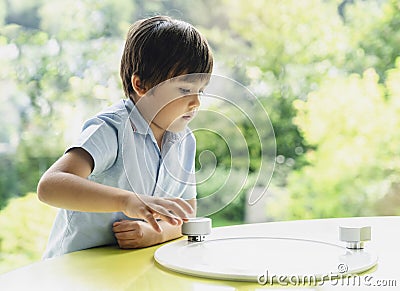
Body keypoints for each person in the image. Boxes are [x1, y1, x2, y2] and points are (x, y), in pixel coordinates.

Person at [37, 15, 213, 258]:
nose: (196, 102)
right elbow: (50, 186)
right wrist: (127, 201)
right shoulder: (111, 129)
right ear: (140, 85)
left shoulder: (184, 140)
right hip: (74, 269)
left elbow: (187, 213)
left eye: (200, 91)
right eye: (184, 90)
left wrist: (156, 233)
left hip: (127, 267)